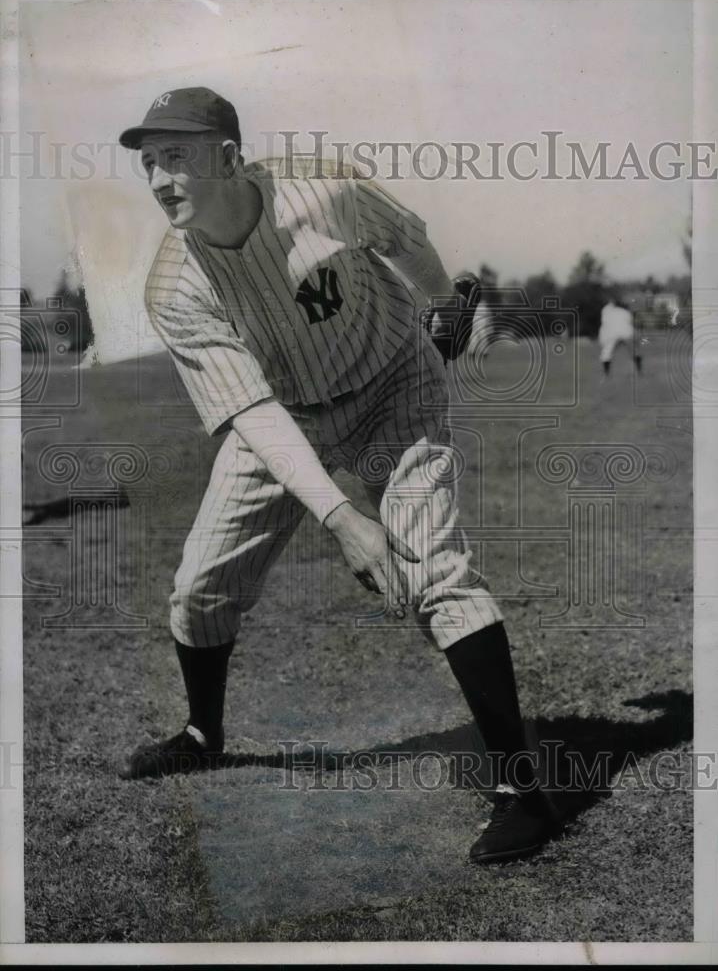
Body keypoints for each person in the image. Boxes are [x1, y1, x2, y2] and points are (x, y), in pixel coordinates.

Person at [117, 86, 564, 864]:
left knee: (435, 569)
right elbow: (251, 414)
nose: (159, 180)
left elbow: (407, 233)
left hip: (394, 381)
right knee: (199, 588)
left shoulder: (323, 188)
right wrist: (344, 519)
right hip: (282, 416)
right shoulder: (174, 287)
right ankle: (202, 733)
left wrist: (440, 298)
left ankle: (521, 790)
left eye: (177, 157)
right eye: (149, 163)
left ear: (229, 156)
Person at [598, 298, 642, 376]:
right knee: (635, 351)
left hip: (613, 333)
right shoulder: (625, 312)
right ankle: (639, 371)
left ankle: (606, 374)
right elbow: (630, 323)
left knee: (606, 353)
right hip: (627, 332)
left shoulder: (606, 311)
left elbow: (604, 324)